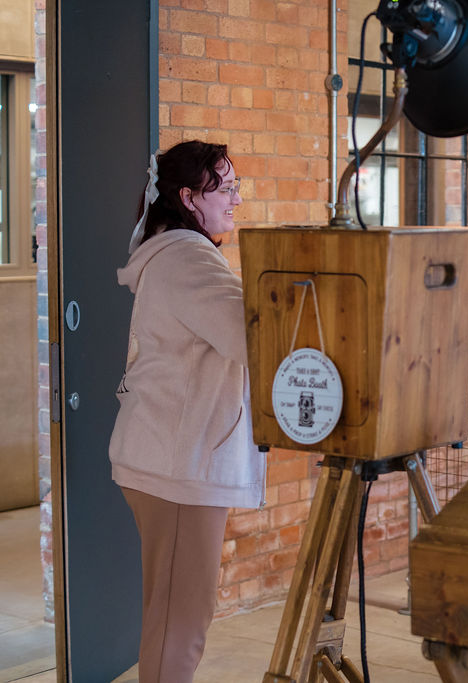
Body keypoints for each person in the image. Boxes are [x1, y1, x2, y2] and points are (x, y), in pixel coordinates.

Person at [108, 140, 265, 682]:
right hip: (177, 469)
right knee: (181, 625)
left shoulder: (175, 254)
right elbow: (249, 337)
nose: (236, 200)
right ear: (189, 197)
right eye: (226, 188)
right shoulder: (187, 258)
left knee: (175, 615)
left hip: (168, 462)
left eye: (236, 187)